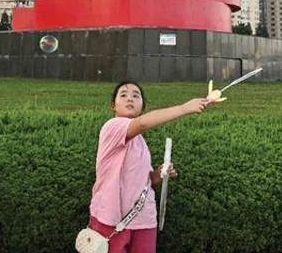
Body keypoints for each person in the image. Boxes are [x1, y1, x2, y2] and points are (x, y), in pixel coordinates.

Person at [88, 82, 209, 253]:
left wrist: (159, 175)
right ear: (113, 106)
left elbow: (144, 181)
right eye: (123, 95)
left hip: (143, 220)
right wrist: (184, 108)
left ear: (142, 107)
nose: (130, 98)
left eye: (136, 96)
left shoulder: (140, 142)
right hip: (111, 220)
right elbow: (143, 124)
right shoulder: (112, 127)